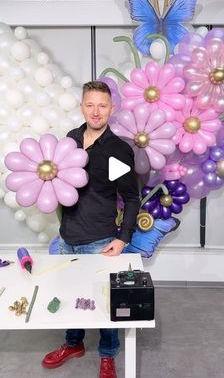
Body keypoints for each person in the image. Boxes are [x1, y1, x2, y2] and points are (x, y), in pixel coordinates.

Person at [42, 80, 140, 378]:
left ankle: (108, 355)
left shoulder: (117, 150)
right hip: (68, 236)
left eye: (102, 105)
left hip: (100, 240)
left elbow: (132, 198)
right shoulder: (70, 139)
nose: (95, 111)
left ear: (112, 108)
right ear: (82, 106)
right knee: (71, 296)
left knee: (103, 303)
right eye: (90, 104)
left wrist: (123, 238)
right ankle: (73, 343)